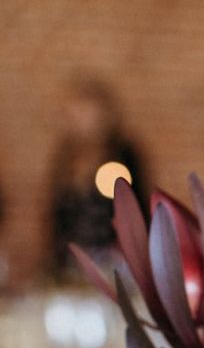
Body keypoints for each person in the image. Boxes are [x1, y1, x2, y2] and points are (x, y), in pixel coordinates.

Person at [48, 75, 149, 278]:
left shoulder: (121, 154)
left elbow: (134, 208)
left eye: (82, 112)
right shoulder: (66, 156)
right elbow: (57, 216)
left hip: (114, 263)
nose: (76, 119)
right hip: (71, 262)